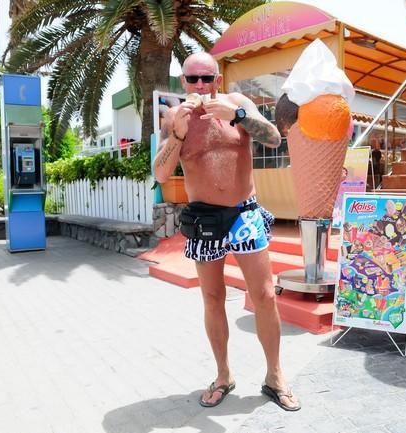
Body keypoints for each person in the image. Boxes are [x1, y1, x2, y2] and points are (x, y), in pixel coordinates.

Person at [153, 52, 300, 411]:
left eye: (207, 79)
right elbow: (160, 172)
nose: (200, 86)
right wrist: (178, 135)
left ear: (218, 79)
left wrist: (237, 116)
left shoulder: (237, 103)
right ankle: (223, 375)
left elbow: (273, 139)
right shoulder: (174, 116)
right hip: (203, 218)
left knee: (265, 294)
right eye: (193, 80)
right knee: (212, 298)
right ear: (183, 82)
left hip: (244, 212)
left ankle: (274, 375)